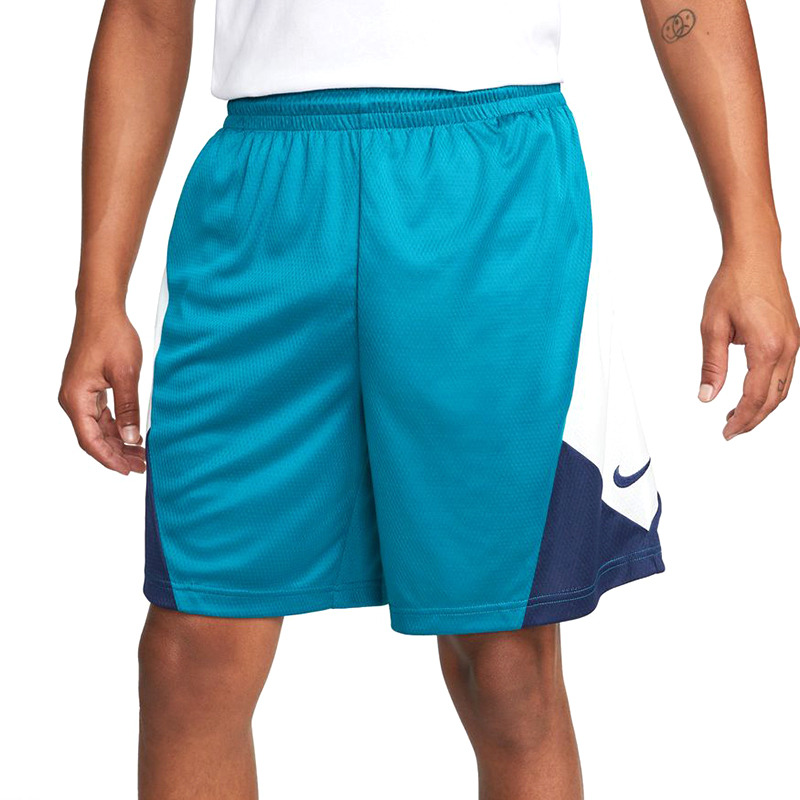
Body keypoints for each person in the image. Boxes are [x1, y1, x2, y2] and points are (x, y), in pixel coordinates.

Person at [58, 1, 798, 797]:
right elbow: (146, 15)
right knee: (193, 648)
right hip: (263, 197)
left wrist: (753, 237)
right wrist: (99, 292)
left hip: (490, 183)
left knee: (507, 665)